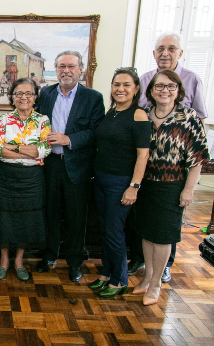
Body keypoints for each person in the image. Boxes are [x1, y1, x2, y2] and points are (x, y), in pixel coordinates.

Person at [129, 32, 210, 282]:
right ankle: (145, 269)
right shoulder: (144, 100)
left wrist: (188, 190)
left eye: (171, 48)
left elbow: (197, 154)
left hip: (172, 182)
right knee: (146, 228)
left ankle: (161, 272)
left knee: (165, 232)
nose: (165, 53)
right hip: (145, 180)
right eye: (160, 48)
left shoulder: (188, 114)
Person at [36, 50, 105, 282]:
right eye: (61, 66)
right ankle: (49, 256)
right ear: (55, 70)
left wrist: (69, 140)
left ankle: (75, 262)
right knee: (50, 213)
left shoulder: (93, 97)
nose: (66, 71)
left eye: (71, 66)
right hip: (50, 165)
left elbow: (96, 132)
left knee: (76, 218)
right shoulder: (45, 93)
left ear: (80, 70)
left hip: (77, 166)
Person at [88, 68, 150, 298]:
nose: (120, 89)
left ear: (135, 89)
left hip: (121, 183)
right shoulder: (111, 113)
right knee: (105, 230)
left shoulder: (139, 115)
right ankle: (106, 274)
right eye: (116, 84)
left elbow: (143, 155)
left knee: (115, 231)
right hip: (101, 179)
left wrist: (133, 187)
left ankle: (120, 280)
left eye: (126, 85)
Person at [0, 77, 51, 281]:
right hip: (5, 177)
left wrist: (13, 148)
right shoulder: (3, 120)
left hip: (32, 179)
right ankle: (4, 261)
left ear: (35, 98)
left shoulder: (43, 121)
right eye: (19, 94)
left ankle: (19, 261)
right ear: (12, 98)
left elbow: (45, 150)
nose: (24, 97)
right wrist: (27, 153)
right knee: (4, 218)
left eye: (28, 93)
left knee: (26, 219)